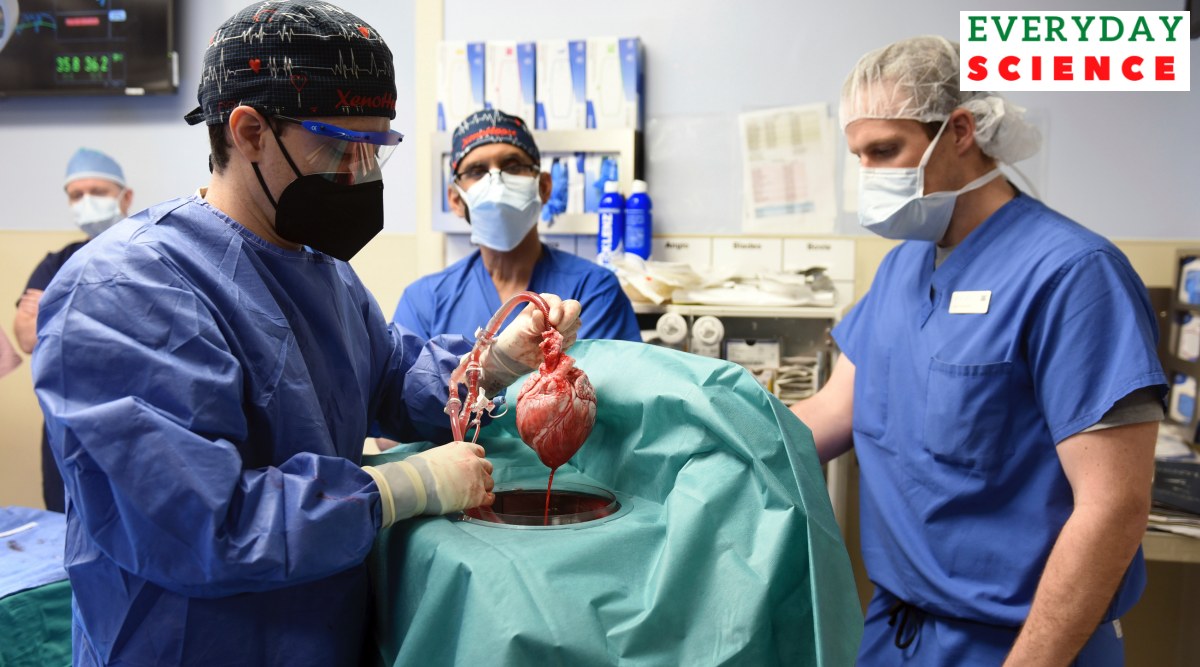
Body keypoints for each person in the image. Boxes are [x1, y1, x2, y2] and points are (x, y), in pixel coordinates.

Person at [31, 3, 580, 665]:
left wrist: (493, 365)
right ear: (249, 131)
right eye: (339, 146)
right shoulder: (122, 291)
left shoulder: (322, 272)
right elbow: (201, 522)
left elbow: (392, 377)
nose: (359, 172)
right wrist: (402, 487)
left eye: (376, 148)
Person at [792, 36, 1165, 666]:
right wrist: (672, 416)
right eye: (859, 156)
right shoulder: (901, 271)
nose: (870, 176)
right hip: (898, 632)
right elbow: (827, 416)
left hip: (1022, 643)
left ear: (960, 130)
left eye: (886, 151)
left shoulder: (1074, 274)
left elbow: (1114, 507)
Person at [393, 108, 641, 343]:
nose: (497, 183)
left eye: (513, 166)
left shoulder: (593, 291)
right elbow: (410, 385)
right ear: (456, 200)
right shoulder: (425, 301)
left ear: (543, 187)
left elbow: (602, 383)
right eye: (477, 171)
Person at [13, 147, 133, 513]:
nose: (86, 202)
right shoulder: (58, 261)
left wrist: (56, 311)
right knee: (66, 521)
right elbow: (29, 337)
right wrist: (104, 313)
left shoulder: (148, 252)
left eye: (97, 192)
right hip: (65, 424)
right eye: (76, 195)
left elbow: (151, 332)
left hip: (133, 420)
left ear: (125, 197)